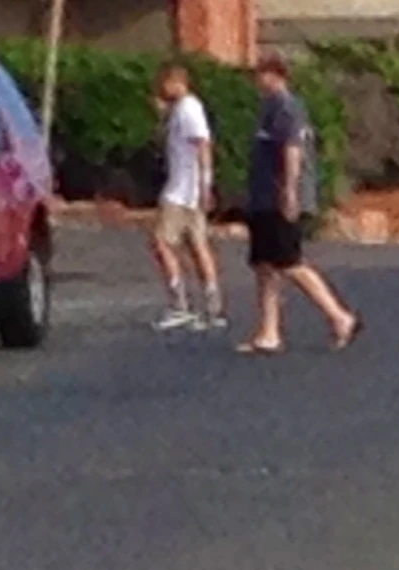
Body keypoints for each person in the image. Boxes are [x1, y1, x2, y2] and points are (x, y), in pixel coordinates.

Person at [239, 54, 360, 355]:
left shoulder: (287, 108)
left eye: (260, 74)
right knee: (265, 265)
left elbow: (292, 150)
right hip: (262, 198)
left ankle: (340, 316)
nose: (256, 81)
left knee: (290, 263)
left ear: (275, 75)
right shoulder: (267, 107)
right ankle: (269, 333)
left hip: (280, 197)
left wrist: (290, 192)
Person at [149, 64, 223, 331]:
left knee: (161, 242)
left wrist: (205, 184)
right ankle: (212, 304)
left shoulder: (189, 108)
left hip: (181, 191)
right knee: (196, 244)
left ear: (175, 82)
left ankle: (180, 304)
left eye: (164, 84)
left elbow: (202, 144)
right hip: (185, 189)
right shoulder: (181, 110)